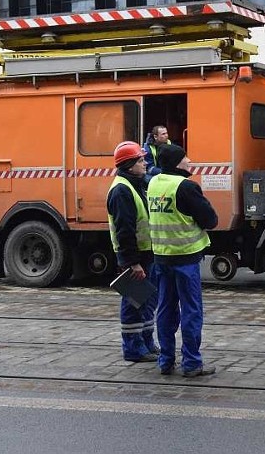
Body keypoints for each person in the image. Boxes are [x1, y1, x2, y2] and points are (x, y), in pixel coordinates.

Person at [147, 143, 218, 377]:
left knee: (165, 310)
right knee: (191, 311)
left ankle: (165, 361)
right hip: (185, 258)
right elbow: (210, 220)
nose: (190, 161)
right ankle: (191, 363)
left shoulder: (154, 183)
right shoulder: (186, 186)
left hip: (161, 257)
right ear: (178, 163)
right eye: (186, 157)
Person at [106, 141, 159, 363]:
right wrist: (132, 262)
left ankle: (146, 342)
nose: (145, 163)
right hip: (135, 257)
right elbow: (124, 230)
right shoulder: (121, 190)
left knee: (146, 301)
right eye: (140, 160)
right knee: (133, 302)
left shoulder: (135, 184)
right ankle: (133, 348)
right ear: (129, 165)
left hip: (145, 254)